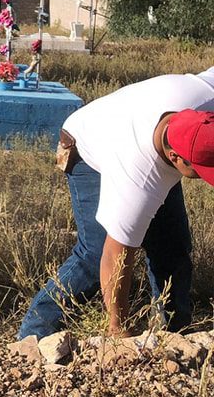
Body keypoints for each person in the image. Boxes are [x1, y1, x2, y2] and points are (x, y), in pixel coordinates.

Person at [19, 68, 214, 339]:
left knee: (172, 248)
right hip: (86, 144)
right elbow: (116, 255)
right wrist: (118, 327)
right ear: (176, 158)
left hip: (129, 127)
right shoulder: (139, 178)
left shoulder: (206, 100)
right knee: (95, 252)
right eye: (205, 168)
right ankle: (32, 336)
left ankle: (175, 335)